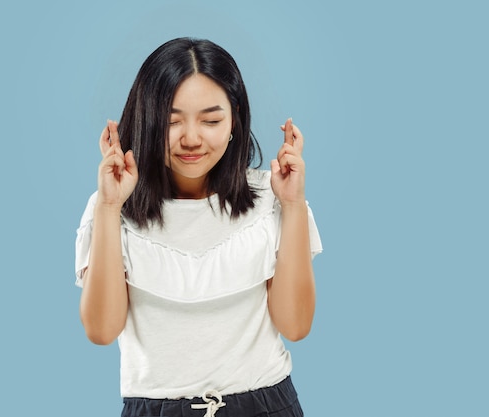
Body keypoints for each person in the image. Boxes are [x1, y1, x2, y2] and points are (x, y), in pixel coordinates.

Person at [75, 37, 322, 417]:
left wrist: (291, 204)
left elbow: (295, 324)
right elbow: (102, 330)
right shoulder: (113, 204)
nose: (191, 138)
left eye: (211, 120)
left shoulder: (271, 197)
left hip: (265, 404)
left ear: (235, 118)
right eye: (172, 121)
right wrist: (109, 206)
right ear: (147, 120)